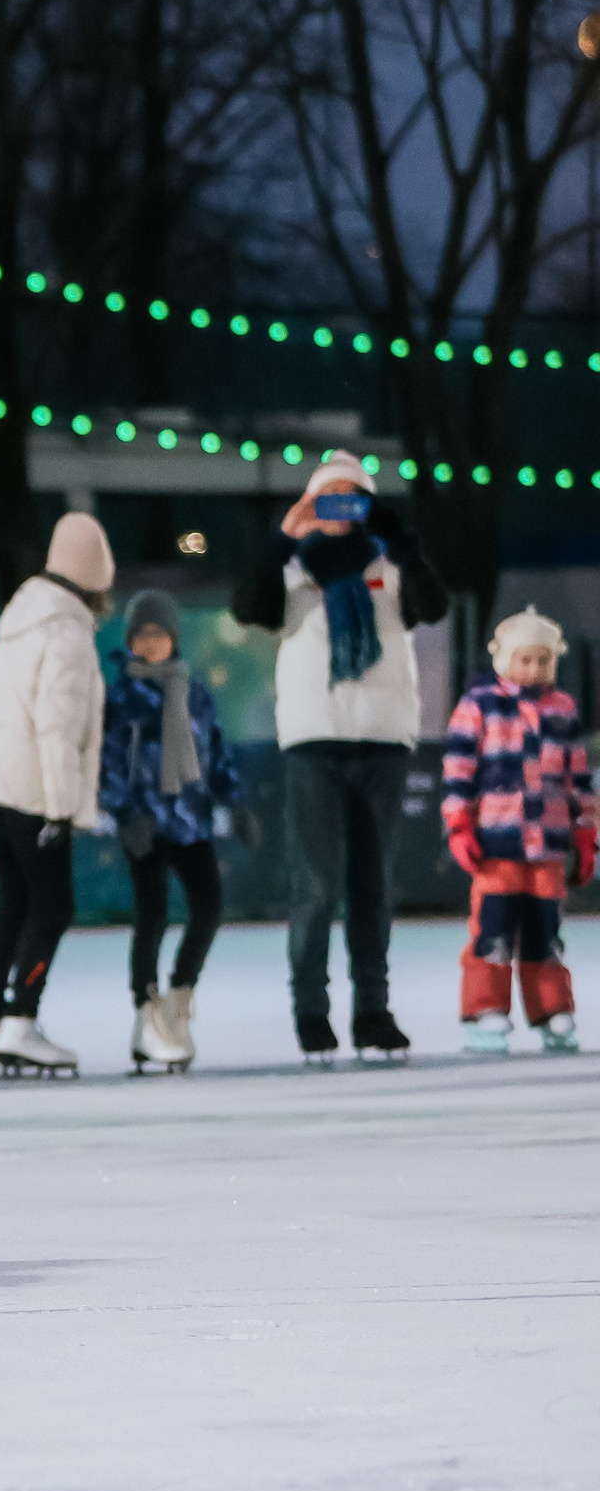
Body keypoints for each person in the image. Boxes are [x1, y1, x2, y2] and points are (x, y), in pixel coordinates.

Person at [231, 453, 448, 1061]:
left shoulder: (390, 565)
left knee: (372, 885)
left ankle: (373, 1012)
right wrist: (283, 536)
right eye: (327, 497)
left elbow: (434, 606)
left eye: (352, 498)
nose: (338, 510)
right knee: (317, 884)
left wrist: (399, 534)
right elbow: (248, 607)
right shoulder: (294, 573)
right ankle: (311, 1011)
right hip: (314, 740)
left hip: (381, 738)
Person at [0, 511, 115, 1077]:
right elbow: (56, 727)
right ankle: (21, 1022)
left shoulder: (22, 620)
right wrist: (60, 808)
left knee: (15, 906)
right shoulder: (66, 633)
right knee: (52, 907)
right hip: (32, 792)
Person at [99, 590, 239, 1073]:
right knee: (151, 915)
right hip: (144, 820)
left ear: (174, 639)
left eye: (159, 633)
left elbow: (213, 751)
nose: (150, 642)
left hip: (189, 818)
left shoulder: (195, 692)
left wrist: (233, 800)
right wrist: (123, 812)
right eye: (142, 634)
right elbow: (110, 760)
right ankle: (146, 1009)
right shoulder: (120, 695)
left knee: (208, 905)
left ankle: (179, 995)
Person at [443, 606, 590, 1056]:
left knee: (545, 931)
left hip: (547, 845)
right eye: (524, 659)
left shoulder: (562, 710)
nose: (533, 669)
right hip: (497, 843)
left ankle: (551, 1012)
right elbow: (458, 770)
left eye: (543, 661)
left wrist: (585, 830)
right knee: (493, 929)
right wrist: (459, 824)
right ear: (504, 659)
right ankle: (485, 1010)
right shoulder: (479, 705)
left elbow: (578, 779)